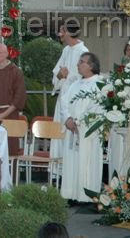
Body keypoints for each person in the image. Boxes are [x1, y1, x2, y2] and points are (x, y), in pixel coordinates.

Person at [60, 52, 103, 203]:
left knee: (87, 163)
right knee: (72, 161)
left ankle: (87, 196)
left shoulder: (99, 84)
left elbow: (97, 106)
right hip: (72, 129)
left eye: (82, 62)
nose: (78, 64)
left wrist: (79, 122)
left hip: (88, 131)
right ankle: (71, 194)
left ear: (91, 66)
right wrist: (68, 119)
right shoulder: (75, 84)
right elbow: (64, 102)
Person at [50, 23, 89, 161]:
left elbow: (85, 78)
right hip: (63, 98)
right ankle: (58, 171)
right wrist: (60, 75)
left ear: (67, 32)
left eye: (61, 31)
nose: (59, 34)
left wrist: (69, 75)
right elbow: (57, 73)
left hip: (75, 101)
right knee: (60, 134)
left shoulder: (83, 51)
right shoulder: (66, 50)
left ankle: (71, 165)